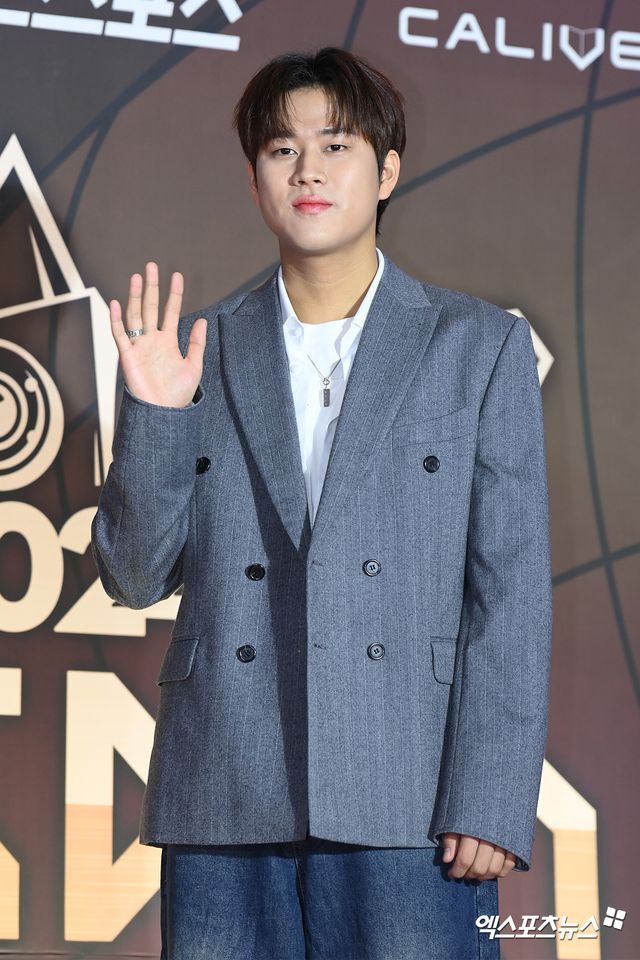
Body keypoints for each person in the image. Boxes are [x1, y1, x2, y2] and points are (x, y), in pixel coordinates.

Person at [91, 46, 552, 960]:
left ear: (387, 171)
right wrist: (156, 418)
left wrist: (492, 797)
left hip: (410, 796)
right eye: (281, 149)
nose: (307, 170)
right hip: (225, 791)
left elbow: (511, 593)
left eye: (335, 145)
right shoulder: (196, 351)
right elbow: (135, 578)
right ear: (254, 180)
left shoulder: (478, 347)